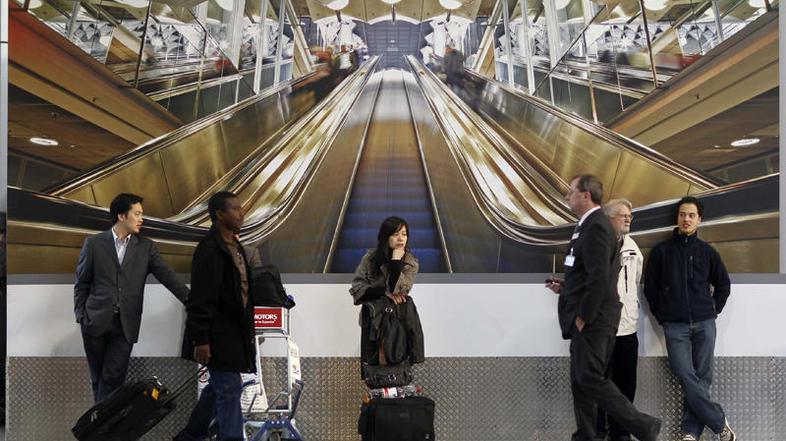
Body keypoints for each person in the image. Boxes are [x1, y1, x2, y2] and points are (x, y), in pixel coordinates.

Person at [545, 175, 660, 441]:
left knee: (590, 378)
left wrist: (584, 315)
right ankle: (587, 436)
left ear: (585, 195)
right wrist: (567, 288)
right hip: (588, 316)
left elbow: (600, 277)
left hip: (594, 319)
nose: (567, 196)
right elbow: (589, 274)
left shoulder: (596, 226)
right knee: (581, 382)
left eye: (571, 191)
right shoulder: (587, 225)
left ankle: (644, 425)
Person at [74, 193, 189, 403]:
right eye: (137, 214)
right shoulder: (94, 244)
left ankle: (103, 421)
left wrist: (192, 302)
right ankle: (103, 421)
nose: (141, 219)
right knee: (98, 379)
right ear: (121, 216)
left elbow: (167, 276)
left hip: (125, 325)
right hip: (94, 321)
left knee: (113, 377)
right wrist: (81, 315)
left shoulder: (146, 247)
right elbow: (82, 283)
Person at [644, 196, 736, 441]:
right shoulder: (661, 251)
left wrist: (713, 310)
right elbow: (650, 288)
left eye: (691, 215)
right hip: (675, 326)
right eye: (682, 214)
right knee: (685, 373)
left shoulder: (707, 252)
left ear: (699, 220)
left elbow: (723, 284)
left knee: (702, 378)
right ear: (677, 217)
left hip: (705, 324)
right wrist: (663, 315)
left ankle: (689, 433)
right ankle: (719, 423)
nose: (686, 219)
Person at [175, 191, 256, 441]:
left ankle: (189, 437)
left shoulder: (236, 247)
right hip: (216, 335)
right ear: (219, 214)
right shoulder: (209, 249)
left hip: (235, 334)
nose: (241, 213)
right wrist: (201, 339)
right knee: (229, 389)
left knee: (218, 388)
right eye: (235, 209)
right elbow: (200, 298)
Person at [596, 199, 643, 441]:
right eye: (623, 215)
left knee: (626, 385)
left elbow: (636, 280)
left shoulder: (633, 247)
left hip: (627, 329)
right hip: (600, 330)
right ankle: (598, 432)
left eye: (630, 216)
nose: (628, 219)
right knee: (599, 384)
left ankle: (621, 433)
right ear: (608, 219)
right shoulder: (594, 245)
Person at [350, 217, 421, 373]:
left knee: (396, 364)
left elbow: (399, 291)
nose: (401, 239)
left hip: (399, 320)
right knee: (375, 365)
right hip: (374, 319)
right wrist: (383, 292)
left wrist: (396, 261)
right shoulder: (370, 259)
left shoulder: (411, 262)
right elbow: (357, 289)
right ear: (385, 236)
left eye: (404, 234)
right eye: (395, 234)